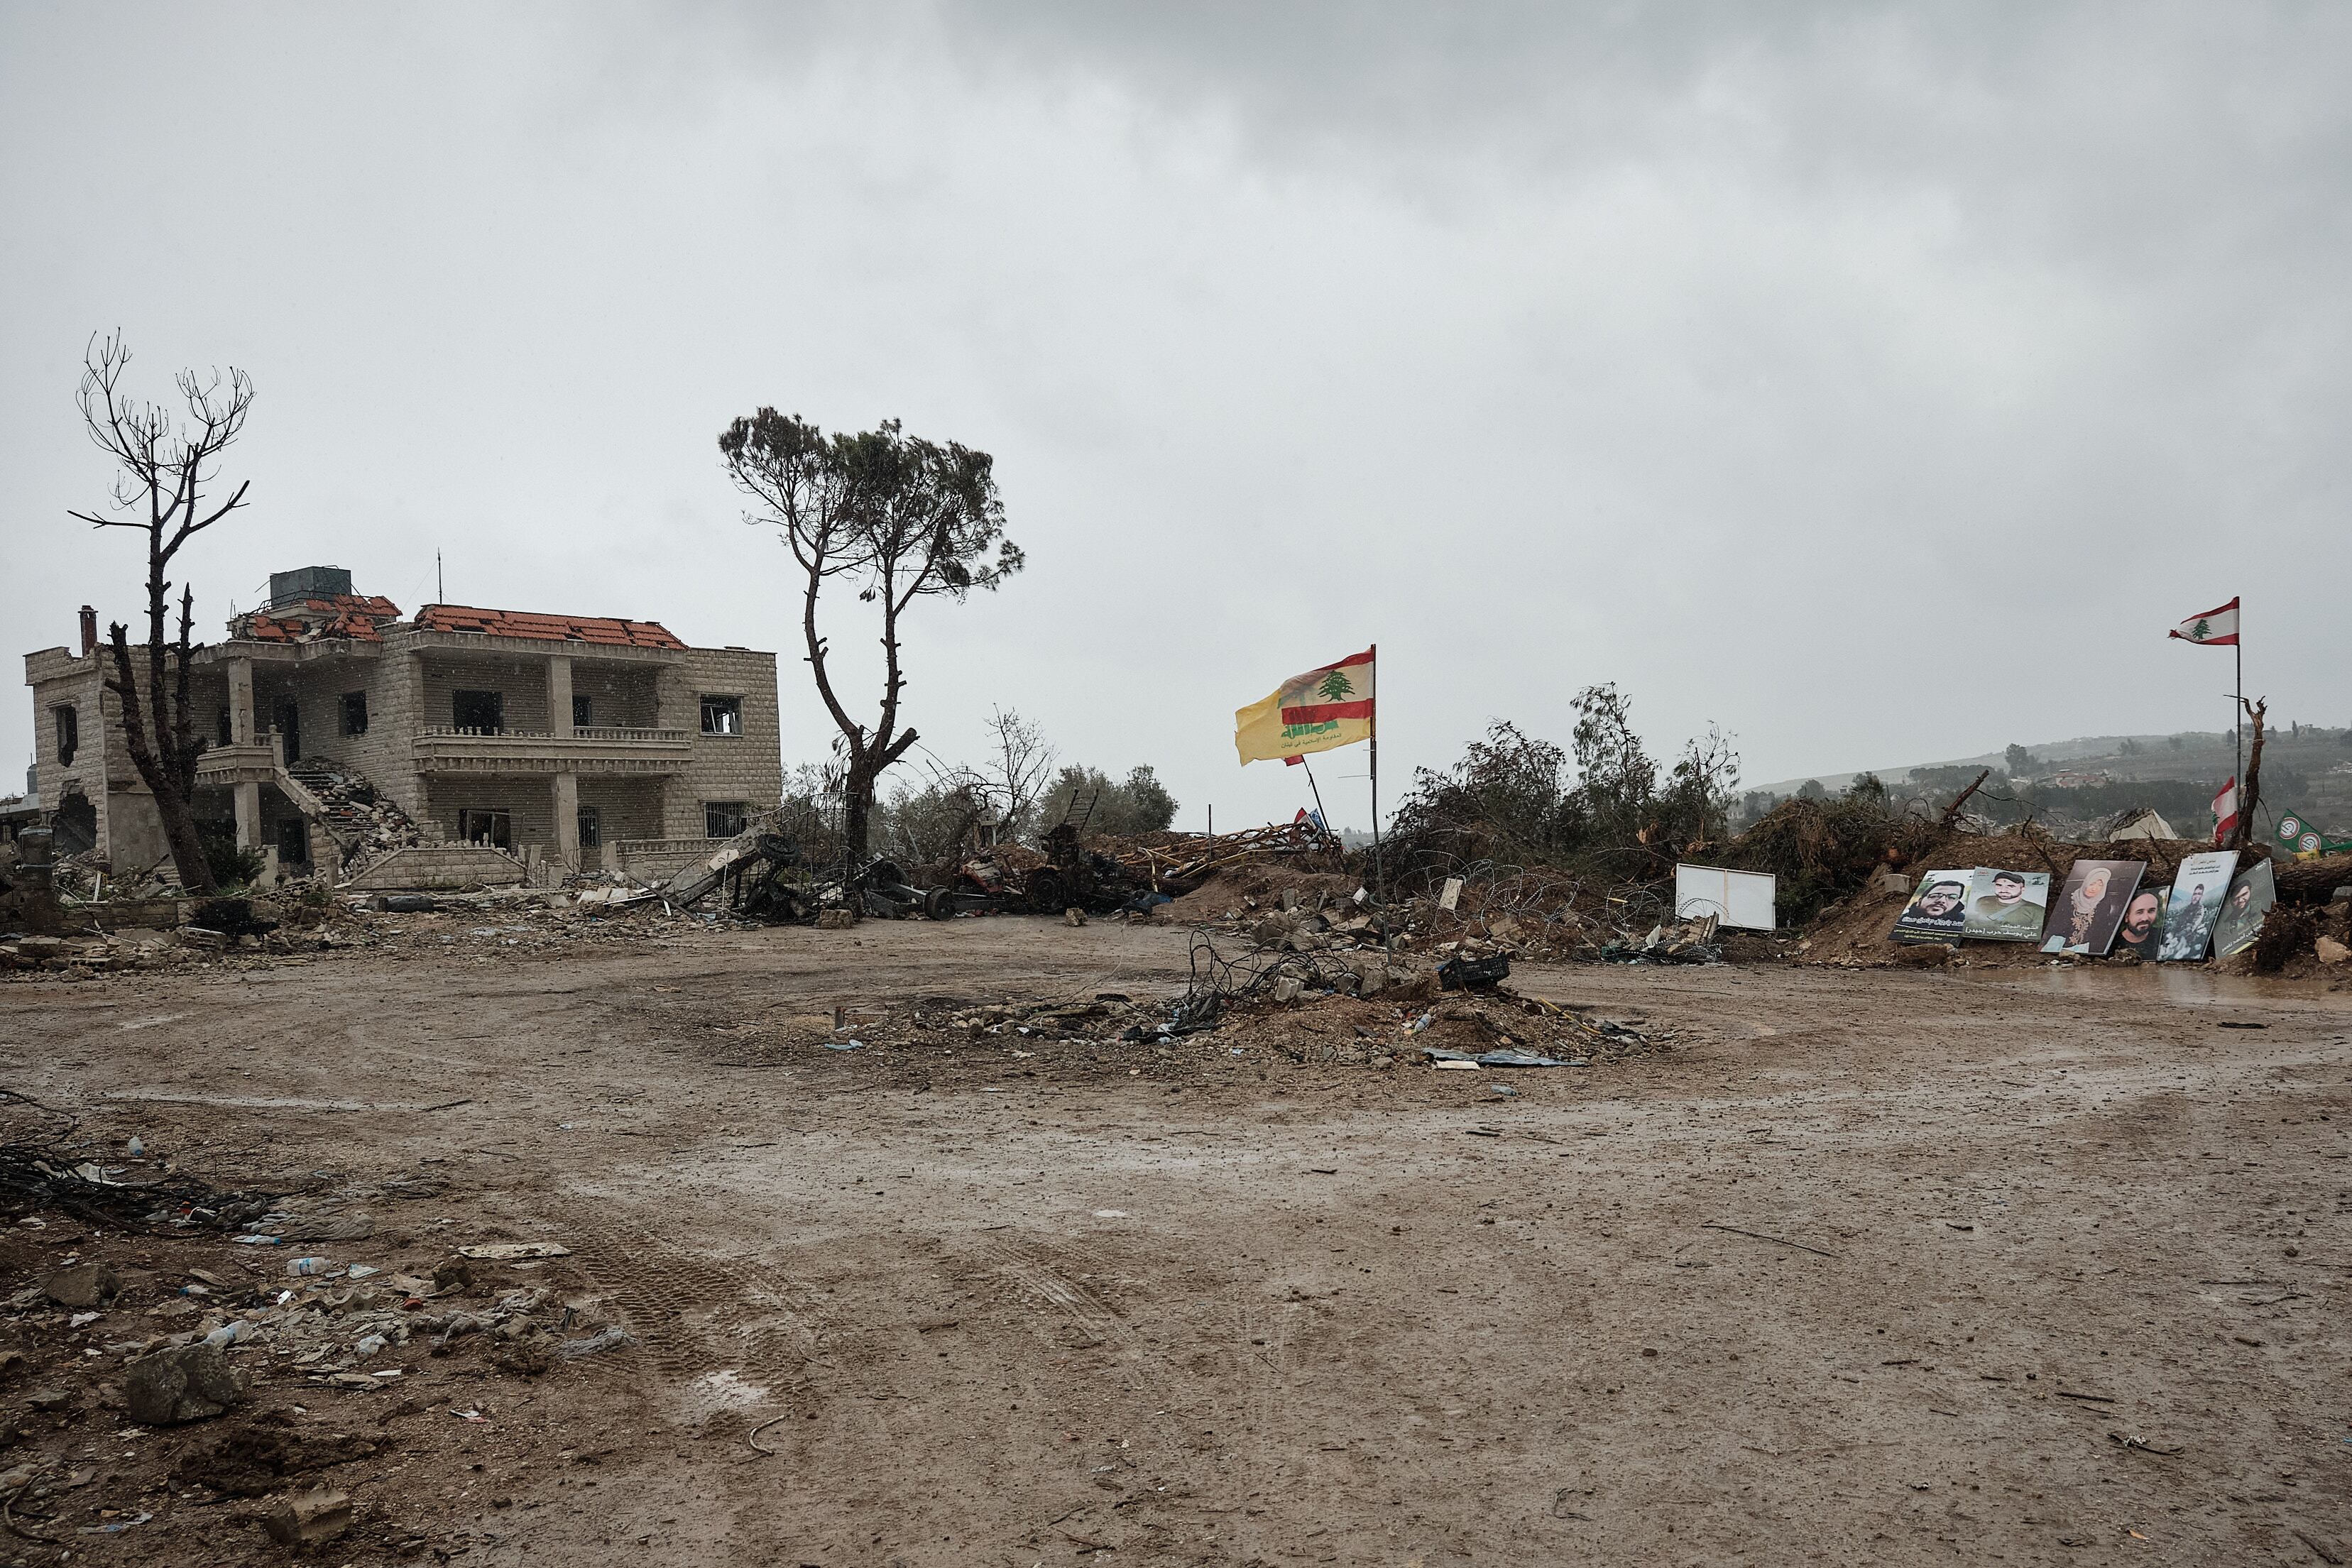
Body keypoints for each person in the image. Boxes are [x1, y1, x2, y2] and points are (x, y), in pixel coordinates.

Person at [2045, 864, 2113, 953]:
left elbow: (2100, 930)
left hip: (2085, 949)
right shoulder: (2068, 899)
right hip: (2057, 945)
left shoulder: (2103, 904)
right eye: (2092, 884)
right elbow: (2056, 924)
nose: (2094, 889)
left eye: (2100, 885)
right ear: (2086, 882)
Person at [1969, 870, 2044, 936]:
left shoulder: (2037, 910)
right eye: (1999, 885)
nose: (2003, 890)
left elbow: (2036, 934)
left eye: (2011, 886)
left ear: (2022, 889)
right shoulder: (1982, 901)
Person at [2160, 882, 2212, 960]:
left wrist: (2176, 937)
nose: (2195, 897)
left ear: (2201, 896)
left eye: (2198, 894)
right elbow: (2178, 921)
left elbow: (2192, 926)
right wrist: (2171, 931)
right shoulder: (2188, 908)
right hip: (2177, 935)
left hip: (2188, 938)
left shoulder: (2200, 909)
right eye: (2195, 894)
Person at [2114, 888, 2165, 958]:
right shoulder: (2113, 944)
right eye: (2139, 912)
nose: (2145, 918)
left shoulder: (2163, 938)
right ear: (2126, 917)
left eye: (2151, 911)